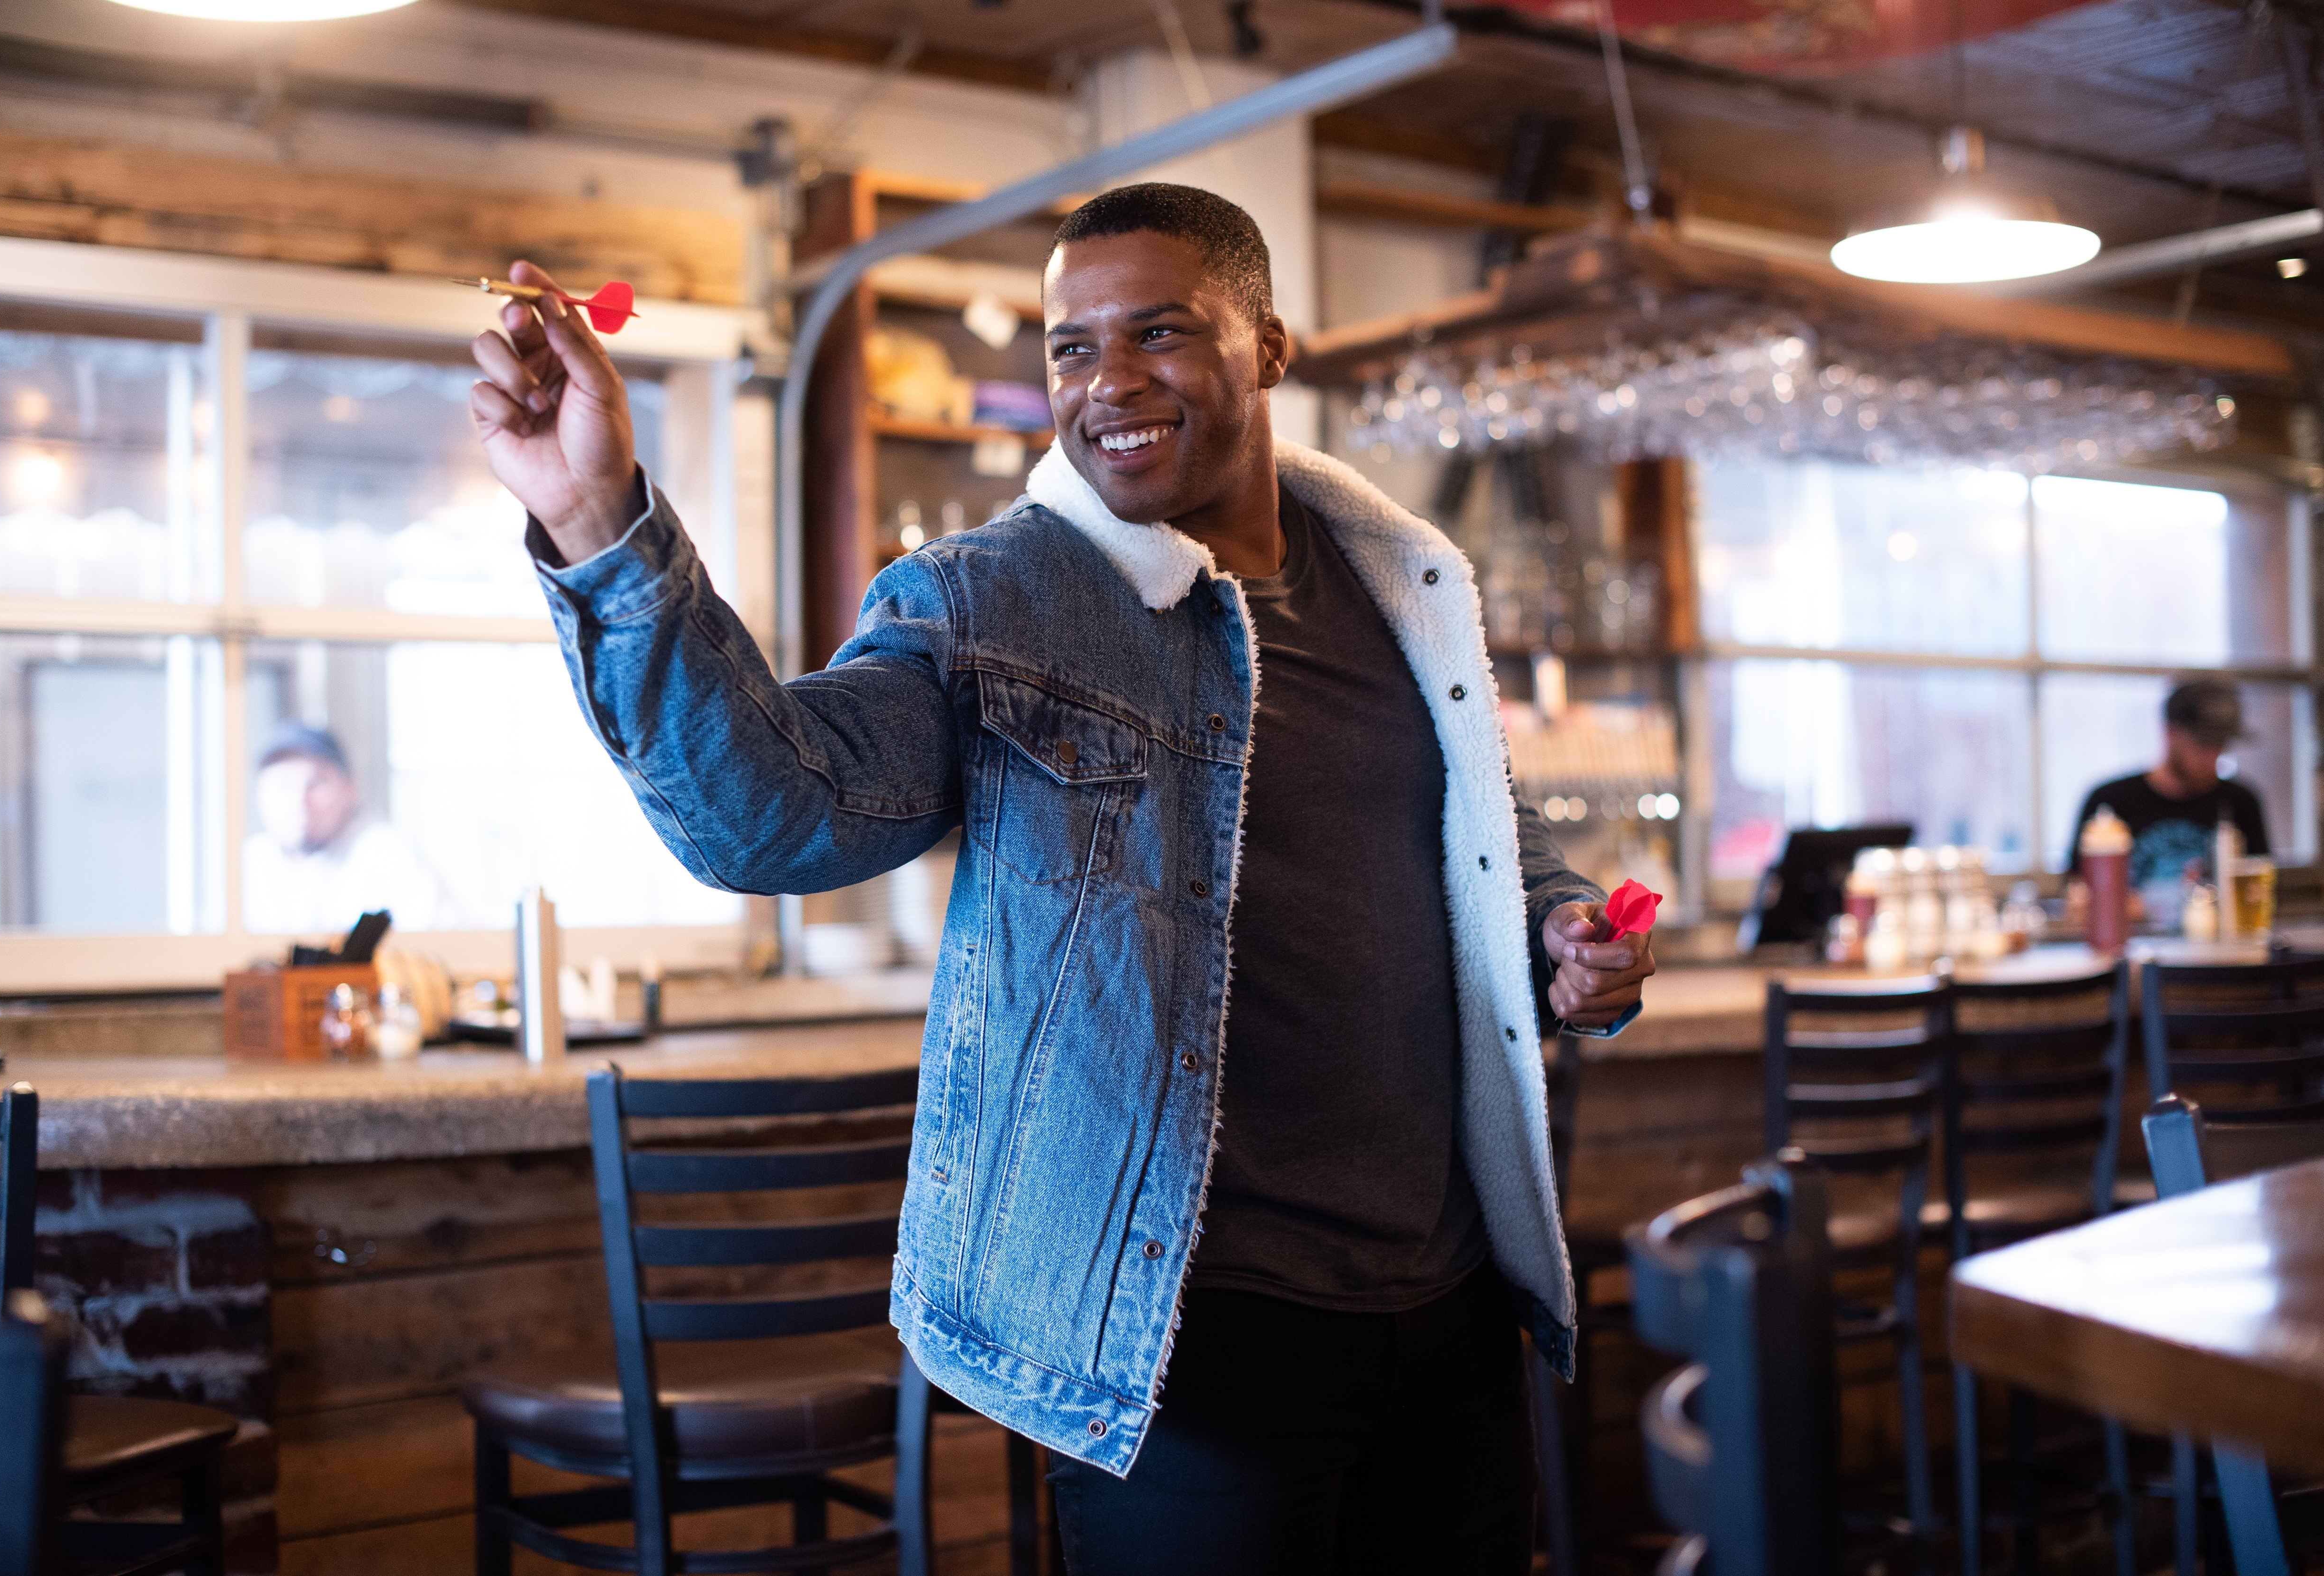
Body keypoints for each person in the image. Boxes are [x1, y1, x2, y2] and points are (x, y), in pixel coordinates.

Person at [467, 183, 1655, 1575]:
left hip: (1452, 1303)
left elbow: (1477, 843)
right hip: (1188, 1335)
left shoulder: (1402, 586)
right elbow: (771, 820)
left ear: (1267, 345)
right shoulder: (992, 597)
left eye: (1157, 332)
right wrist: (598, 515)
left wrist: (1559, 924)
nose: (1107, 383)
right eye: (1071, 348)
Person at [2067, 677, 2269, 928]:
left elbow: (2259, 896)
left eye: (2222, 745)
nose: (2213, 758)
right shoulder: (2109, 802)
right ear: (2170, 733)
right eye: (2204, 744)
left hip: (2217, 957)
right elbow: (2078, 904)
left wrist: (2138, 905)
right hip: (2134, 956)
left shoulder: (2240, 802)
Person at [241, 721, 452, 936]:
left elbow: (442, 945)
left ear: (351, 788)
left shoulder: (389, 855)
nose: (299, 800)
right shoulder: (247, 865)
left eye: (315, 783)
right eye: (283, 784)